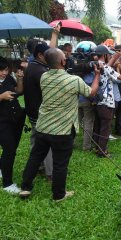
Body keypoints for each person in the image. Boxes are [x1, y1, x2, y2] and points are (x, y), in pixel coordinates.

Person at [19, 48, 100, 201]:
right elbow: (91, 93)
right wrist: (97, 75)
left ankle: (25, 188)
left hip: (43, 127)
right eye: (65, 57)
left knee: (35, 158)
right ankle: (58, 195)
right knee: (60, 163)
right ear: (63, 62)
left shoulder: (44, 77)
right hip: (63, 130)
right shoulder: (73, 80)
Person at [23, 43, 53, 181]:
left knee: (36, 139)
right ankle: (50, 173)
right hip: (41, 112)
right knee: (46, 142)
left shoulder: (31, 67)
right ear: (40, 55)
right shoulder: (41, 71)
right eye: (48, 55)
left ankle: (39, 167)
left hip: (32, 111)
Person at [0, 57, 25, 194]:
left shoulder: (9, 78)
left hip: (15, 119)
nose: (3, 73)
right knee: (9, 150)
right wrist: (1, 96)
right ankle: (7, 184)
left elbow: (19, 91)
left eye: (5, 70)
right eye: (1, 71)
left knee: (12, 147)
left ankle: (1, 168)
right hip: (2, 122)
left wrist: (20, 78)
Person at [92, 45, 121, 157]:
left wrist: (113, 59)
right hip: (107, 101)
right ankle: (102, 151)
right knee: (105, 127)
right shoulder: (106, 67)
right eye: (108, 54)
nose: (109, 56)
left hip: (98, 101)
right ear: (104, 55)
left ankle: (96, 147)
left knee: (98, 125)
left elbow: (106, 68)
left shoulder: (97, 64)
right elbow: (120, 78)